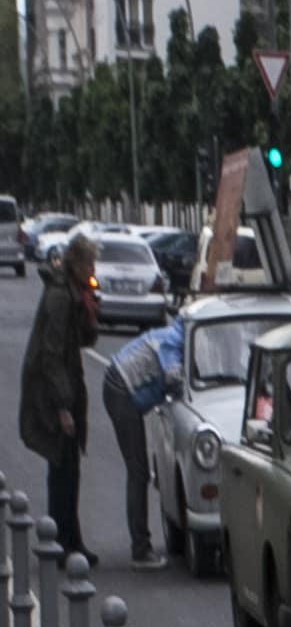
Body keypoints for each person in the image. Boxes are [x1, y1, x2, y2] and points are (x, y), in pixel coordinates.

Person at [19, 228, 98, 561]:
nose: (93, 270)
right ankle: (61, 544)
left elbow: (82, 341)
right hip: (52, 394)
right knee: (62, 469)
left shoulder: (72, 292)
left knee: (69, 468)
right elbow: (51, 355)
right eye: (90, 263)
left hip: (65, 386)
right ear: (76, 262)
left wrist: (91, 310)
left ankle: (71, 539)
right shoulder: (59, 296)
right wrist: (63, 407)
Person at [103, 310, 182, 568]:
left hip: (118, 383)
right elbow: (174, 378)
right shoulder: (175, 340)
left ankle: (141, 543)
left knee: (137, 470)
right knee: (138, 471)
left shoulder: (173, 333)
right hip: (121, 389)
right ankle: (140, 549)